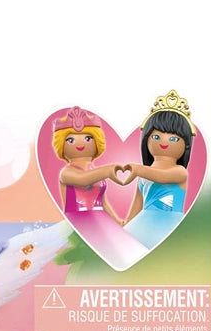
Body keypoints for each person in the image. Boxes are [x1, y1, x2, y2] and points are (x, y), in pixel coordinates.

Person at [121, 90, 195, 247]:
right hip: (139, 228)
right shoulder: (144, 175)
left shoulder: (180, 172)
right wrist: (126, 225)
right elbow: (136, 208)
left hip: (169, 228)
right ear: (146, 140)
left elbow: (162, 176)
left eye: (173, 138)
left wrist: (138, 169)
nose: (164, 142)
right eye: (156, 137)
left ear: (186, 146)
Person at [51, 106, 123, 224]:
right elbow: (82, 179)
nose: (80, 143)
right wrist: (108, 171)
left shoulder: (95, 171)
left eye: (88, 138)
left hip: (100, 221)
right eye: (70, 140)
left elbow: (103, 203)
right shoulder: (66, 172)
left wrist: (118, 221)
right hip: (78, 222)